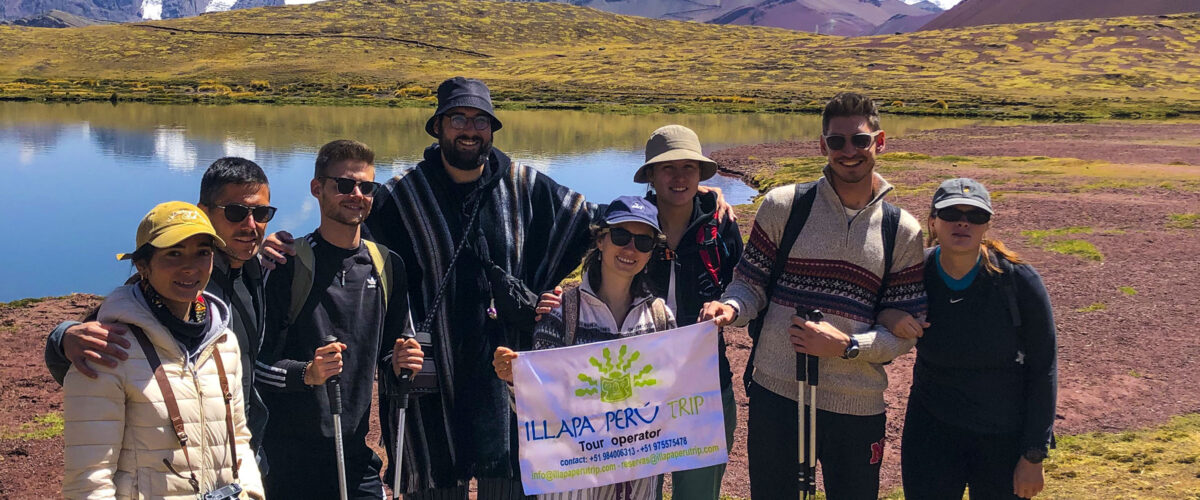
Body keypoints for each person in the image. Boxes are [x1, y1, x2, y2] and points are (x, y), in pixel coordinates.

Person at [699, 92, 928, 499]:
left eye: (859, 140)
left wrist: (848, 346)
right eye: (837, 142)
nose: (848, 152)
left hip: (857, 405)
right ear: (823, 145)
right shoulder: (783, 206)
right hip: (777, 392)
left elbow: (906, 330)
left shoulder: (902, 231)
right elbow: (749, 284)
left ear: (880, 141)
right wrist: (730, 308)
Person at [537, 125, 743, 499]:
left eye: (689, 168)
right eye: (667, 168)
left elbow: (743, 289)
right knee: (633, 487)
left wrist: (729, 309)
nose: (679, 177)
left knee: (697, 492)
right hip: (631, 398)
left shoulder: (722, 225)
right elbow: (565, 263)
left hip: (705, 385)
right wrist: (544, 297)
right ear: (650, 174)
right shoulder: (630, 222)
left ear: (701, 174)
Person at [46, 158, 276, 467]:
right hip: (172, 467)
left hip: (236, 456)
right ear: (204, 212)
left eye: (261, 214)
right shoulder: (181, 281)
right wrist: (64, 337)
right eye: (236, 213)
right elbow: (102, 335)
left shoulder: (251, 269)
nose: (251, 226)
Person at [255, 140, 424, 499]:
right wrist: (308, 374)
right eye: (344, 185)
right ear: (317, 189)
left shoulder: (387, 266)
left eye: (367, 187)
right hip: (289, 459)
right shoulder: (287, 264)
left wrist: (401, 360)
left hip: (356, 453)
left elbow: (391, 350)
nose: (357, 195)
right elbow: (256, 364)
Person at [62, 201, 263, 499]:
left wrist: (251, 493)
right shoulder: (108, 348)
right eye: (174, 253)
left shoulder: (223, 342)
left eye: (203, 253)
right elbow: (89, 480)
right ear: (143, 265)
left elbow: (239, 440)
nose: (190, 266)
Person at [881, 178, 1056, 499]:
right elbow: (879, 306)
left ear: (987, 224)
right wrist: (889, 316)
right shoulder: (914, 272)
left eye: (975, 216)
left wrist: (1033, 455)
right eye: (951, 214)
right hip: (931, 432)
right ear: (933, 221)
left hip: (1002, 435)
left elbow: (1044, 369)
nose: (963, 222)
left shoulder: (1019, 281)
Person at [493, 196, 676, 500]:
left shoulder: (660, 316)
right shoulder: (561, 314)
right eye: (620, 236)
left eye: (643, 242)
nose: (630, 249)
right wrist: (516, 380)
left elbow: (673, 396)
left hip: (638, 479)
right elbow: (535, 408)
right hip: (574, 481)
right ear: (601, 240)